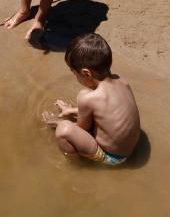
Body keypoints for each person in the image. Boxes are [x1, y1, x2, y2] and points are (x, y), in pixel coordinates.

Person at [42, 33, 140, 166]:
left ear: (86, 73)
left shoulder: (87, 98)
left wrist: (57, 122)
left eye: (74, 72)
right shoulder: (122, 81)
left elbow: (82, 129)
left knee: (64, 130)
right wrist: (71, 110)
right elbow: (107, 111)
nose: (75, 76)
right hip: (131, 149)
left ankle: (76, 166)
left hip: (113, 158)